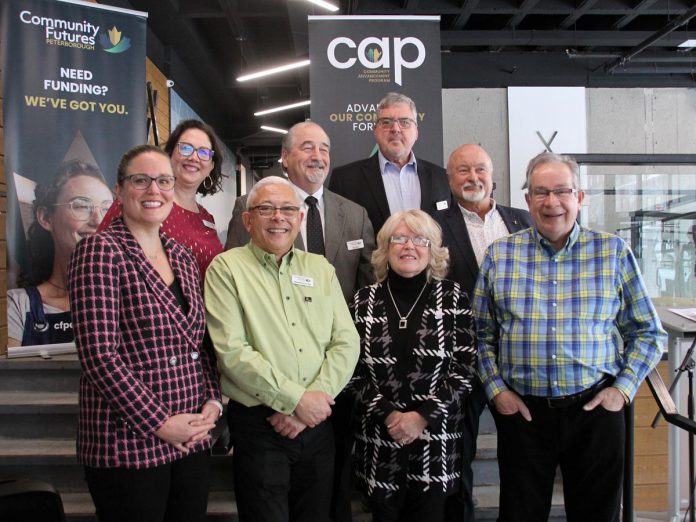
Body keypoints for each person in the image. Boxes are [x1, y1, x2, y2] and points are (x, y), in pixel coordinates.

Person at [473, 152, 666, 522]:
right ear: (527, 199)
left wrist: (622, 389)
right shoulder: (500, 255)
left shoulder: (613, 253)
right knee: (520, 515)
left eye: (562, 191)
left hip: (595, 411)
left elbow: (647, 331)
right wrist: (497, 391)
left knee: (597, 514)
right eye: (540, 192)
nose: (551, 202)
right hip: (524, 415)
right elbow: (480, 335)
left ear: (580, 197)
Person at [69, 144, 222, 522]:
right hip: (130, 440)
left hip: (191, 436)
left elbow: (199, 345)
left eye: (164, 181)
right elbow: (99, 356)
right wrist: (160, 422)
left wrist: (213, 403)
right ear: (120, 191)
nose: (154, 190)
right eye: (141, 180)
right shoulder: (99, 251)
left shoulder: (183, 257)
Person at [205, 176, 360, 522]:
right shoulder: (226, 269)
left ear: (300, 218)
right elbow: (232, 352)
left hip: (318, 421)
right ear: (248, 220)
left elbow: (346, 341)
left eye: (288, 209)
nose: (279, 217)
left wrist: (313, 400)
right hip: (261, 426)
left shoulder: (320, 269)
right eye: (266, 209)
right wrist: (295, 400)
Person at [349, 209, 477, 522]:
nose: (409, 246)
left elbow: (464, 370)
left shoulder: (453, 298)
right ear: (385, 248)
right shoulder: (362, 300)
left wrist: (421, 417)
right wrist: (390, 415)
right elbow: (351, 373)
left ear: (433, 250)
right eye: (400, 238)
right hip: (381, 437)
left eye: (420, 239)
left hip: (434, 440)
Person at [436, 144, 532, 522]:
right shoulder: (433, 223)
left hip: (517, 359)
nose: (472, 177)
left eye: (480, 169)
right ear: (449, 178)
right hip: (458, 360)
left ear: (493, 176)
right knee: (458, 457)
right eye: (462, 170)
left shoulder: (523, 219)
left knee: (524, 459)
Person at [225, 121, 375, 301]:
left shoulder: (356, 215)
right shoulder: (251, 207)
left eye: (324, 149)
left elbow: (368, 285)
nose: (317, 157)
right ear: (285, 157)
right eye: (308, 148)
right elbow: (234, 275)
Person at [98, 119, 225, 277]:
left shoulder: (207, 218)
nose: (194, 157)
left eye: (204, 152)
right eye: (185, 148)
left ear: (211, 166)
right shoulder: (140, 201)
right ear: (170, 155)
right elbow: (100, 254)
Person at [8, 160, 113, 347]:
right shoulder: (17, 306)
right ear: (46, 218)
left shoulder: (128, 300)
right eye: (82, 205)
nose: (98, 220)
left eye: (106, 208)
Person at [329, 92, 450, 233]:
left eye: (404, 122)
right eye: (386, 122)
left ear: (416, 131)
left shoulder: (442, 178)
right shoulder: (345, 180)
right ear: (375, 131)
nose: (396, 129)